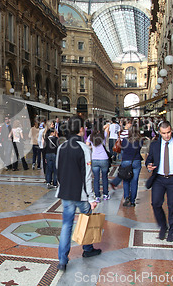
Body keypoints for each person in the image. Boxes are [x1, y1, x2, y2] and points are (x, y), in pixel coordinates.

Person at [56, 116, 101, 272]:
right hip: (81, 195)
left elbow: (58, 171)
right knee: (86, 221)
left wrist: (63, 188)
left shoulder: (61, 147)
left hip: (66, 194)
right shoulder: (84, 148)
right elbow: (87, 175)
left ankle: (62, 261)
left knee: (66, 226)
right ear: (82, 129)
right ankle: (88, 249)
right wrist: (92, 198)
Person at [145, 121, 173, 242]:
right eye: (164, 133)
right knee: (155, 203)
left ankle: (171, 230)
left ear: (171, 131)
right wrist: (149, 166)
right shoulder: (154, 145)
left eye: (169, 132)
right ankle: (163, 226)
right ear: (159, 133)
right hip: (158, 179)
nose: (167, 135)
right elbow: (149, 159)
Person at [118, 126, 143, 207]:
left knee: (126, 180)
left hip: (126, 161)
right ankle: (132, 201)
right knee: (134, 181)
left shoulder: (125, 140)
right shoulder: (140, 140)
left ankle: (126, 197)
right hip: (136, 161)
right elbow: (139, 148)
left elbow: (123, 149)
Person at [86, 123, 110, 202]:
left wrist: (92, 147)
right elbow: (108, 125)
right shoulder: (103, 135)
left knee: (96, 178)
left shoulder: (91, 136)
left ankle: (97, 196)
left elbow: (87, 145)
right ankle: (105, 194)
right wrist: (102, 128)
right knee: (104, 177)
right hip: (104, 159)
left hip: (94, 159)